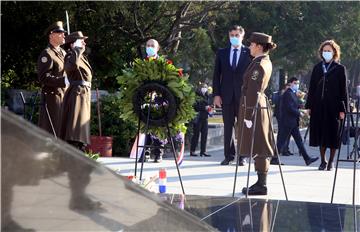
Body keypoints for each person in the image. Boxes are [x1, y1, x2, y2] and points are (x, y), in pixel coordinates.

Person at [237, 32, 277, 195]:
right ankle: (260, 182)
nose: (249, 47)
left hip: (254, 107)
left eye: (252, 44)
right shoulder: (262, 62)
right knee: (258, 145)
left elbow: (253, 91)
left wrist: (247, 116)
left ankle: (262, 184)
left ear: (259, 46)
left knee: (259, 146)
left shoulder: (259, 65)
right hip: (257, 106)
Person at [305, 40, 348, 171]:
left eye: (329, 50)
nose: (326, 53)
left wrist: (343, 109)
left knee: (333, 134)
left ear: (334, 52)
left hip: (334, 107)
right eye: (325, 50)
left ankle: (331, 161)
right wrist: (309, 106)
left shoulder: (340, 69)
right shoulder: (318, 68)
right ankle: (323, 160)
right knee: (321, 133)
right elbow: (311, 88)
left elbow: (344, 90)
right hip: (319, 106)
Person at [212, 25, 252, 165]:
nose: (234, 38)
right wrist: (216, 94)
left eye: (236, 35)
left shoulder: (249, 52)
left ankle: (243, 156)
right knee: (228, 126)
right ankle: (228, 155)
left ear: (242, 36)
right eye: (231, 35)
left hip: (243, 96)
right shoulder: (222, 53)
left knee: (242, 127)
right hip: (226, 95)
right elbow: (216, 75)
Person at [61, 31, 92, 151]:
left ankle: (79, 147)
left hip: (83, 94)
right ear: (72, 44)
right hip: (77, 95)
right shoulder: (70, 55)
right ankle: (75, 148)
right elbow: (72, 66)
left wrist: (78, 50)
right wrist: (76, 50)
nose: (84, 42)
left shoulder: (81, 56)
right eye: (81, 40)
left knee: (81, 128)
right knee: (75, 129)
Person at [277, 77, 319, 166]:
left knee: (298, 141)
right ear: (290, 83)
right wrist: (299, 113)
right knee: (281, 141)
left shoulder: (293, 93)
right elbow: (289, 108)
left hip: (292, 122)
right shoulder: (288, 93)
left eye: (297, 83)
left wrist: (302, 109)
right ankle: (273, 158)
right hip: (287, 122)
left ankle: (307, 159)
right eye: (295, 83)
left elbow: (295, 105)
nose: (297, 85)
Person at [37, 21, 68, 137]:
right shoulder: (47, 54)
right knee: (51, 130)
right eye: (60, 33)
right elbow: (43, 77)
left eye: (64, 33)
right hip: (52, 98)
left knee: (62, 130)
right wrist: (63, 81)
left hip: (64, 96)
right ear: (51, 35)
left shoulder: (64, 53)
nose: (64, 35)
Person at [190, 83, 211, 157]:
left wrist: (209, 109)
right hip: (198, 118)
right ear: (200, 88)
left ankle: (203, 151)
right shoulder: (196, 95)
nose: (205, 89)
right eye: (203, 87)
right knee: (196, 135)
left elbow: (208, 104)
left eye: (206, 87)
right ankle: (192, 151)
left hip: (205, 117)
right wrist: (204, 107)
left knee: (204, 135)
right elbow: (195, 106)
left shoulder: (207, 95)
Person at [273, 83, 293, 156]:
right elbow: (278, 104)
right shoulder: (280, 94)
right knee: (282, 133)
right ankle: (281, 150)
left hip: (285, 116)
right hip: (280, 116)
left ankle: (285, 149)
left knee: (286, 133)